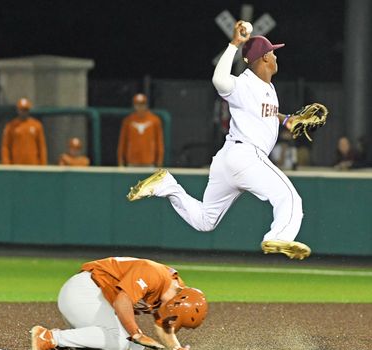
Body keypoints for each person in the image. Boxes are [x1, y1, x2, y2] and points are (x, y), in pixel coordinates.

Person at [126, 22, 311, 260]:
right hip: (247, 157)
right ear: (264, 58)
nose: (276, 56)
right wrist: (234, 44)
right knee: (289, 197)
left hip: (228, 159)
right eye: (273, 52)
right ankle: (280, 237)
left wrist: (287, 120)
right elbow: (220, 81)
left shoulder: (266, 87)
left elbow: (263, 113)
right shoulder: (244, 83)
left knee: (205, 221)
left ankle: (167, 186)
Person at [30, 257, 207, 350]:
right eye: (173, 315)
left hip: (98, 300)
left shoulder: (173, 292)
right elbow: (122, 301)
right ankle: (49, 337)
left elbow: (162, 324)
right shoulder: (154, 273)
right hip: (84, 290)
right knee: (120, 341)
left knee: (135, 348)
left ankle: (76, 341)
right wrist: (136, 333)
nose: (169, 317)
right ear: (178, 300)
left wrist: (176, 348)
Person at [117, 93, 164, 167]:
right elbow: (123, 141)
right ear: (134, 105)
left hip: (149, 162)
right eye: (137, 104)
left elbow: (159, 142)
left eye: (142, 104)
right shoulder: (128, 120)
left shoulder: (154, 120)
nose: (140, 107)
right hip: (132, 162)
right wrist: (120, 160)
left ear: (146, 105)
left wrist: (159, 160)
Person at [1, 98, 47, 165]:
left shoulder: (37, 125)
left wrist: (43, 164)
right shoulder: (10, 126)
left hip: (33, 165)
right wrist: (6, 164)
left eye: (26, 110)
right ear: (18, 110)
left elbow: (42, 147)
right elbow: (5, 147)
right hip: (16, 165)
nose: (24, 112)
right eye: (22, 110)